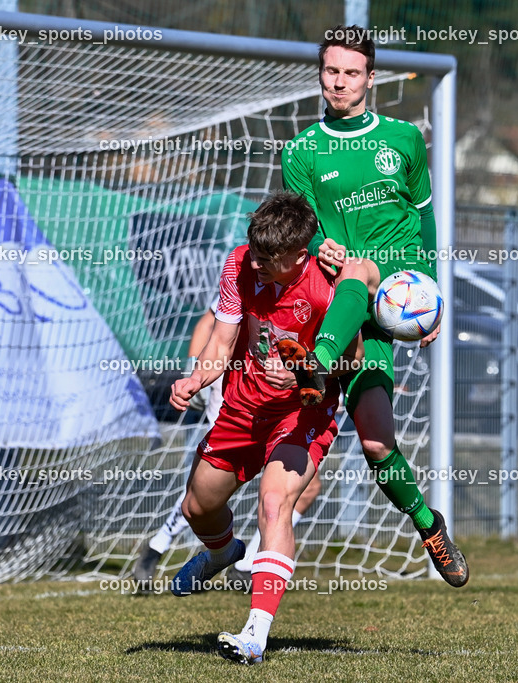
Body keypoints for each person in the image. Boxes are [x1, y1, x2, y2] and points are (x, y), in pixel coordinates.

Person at [279, 25, 468, 588]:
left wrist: (430, 294)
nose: (339, 82)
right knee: (365, 446)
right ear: (321, 73)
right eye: (331, 71)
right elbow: (302, 229)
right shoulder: (302, 151)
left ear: (370, 77)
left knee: (376, 442)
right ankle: (223, 542)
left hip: (393, 295)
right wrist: (317, 245)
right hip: (333, 297)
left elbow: (427, 217)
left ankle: (428, 527)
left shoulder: (404, 138)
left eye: (351, 73)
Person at [168, 191, 360, 665]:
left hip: (302, 414)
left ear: (300, 255)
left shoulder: (326, 287)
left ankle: (255, 634)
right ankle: (220, 553)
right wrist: (196, 377)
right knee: (198, 507)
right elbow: (222, 338)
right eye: (253, 252)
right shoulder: (239, 263)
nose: (255, 264)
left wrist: (306, 373)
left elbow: (353, 358)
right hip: (242, 408)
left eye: (267, 259)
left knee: (275, 504)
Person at [132, 301, 321, 592]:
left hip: (284, 405)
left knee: (303, 488)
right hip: (237, 399)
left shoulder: (318, 280)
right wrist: (195, 373)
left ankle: (244, 568)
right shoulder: (249, 270)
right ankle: (160, 545)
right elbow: (209, 324)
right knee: (204, 493)